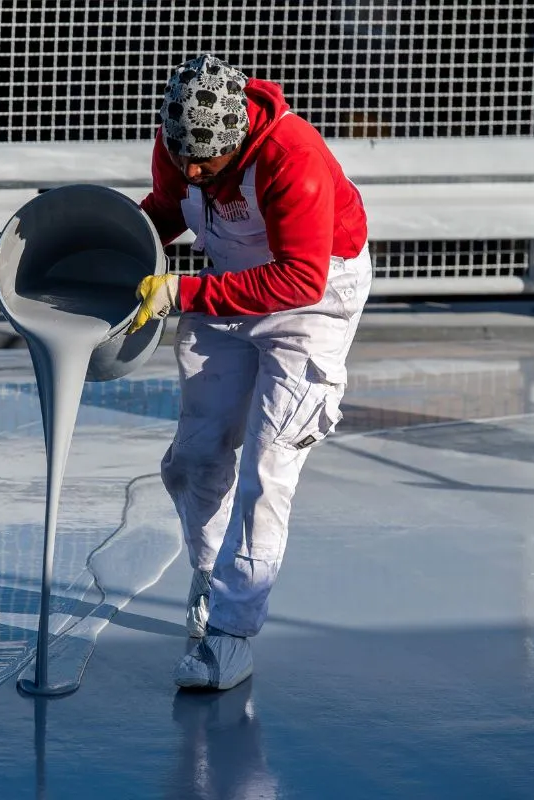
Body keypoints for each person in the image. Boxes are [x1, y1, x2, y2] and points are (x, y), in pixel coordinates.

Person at [129, 54, 372, 691]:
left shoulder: (294, 159)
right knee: (193, 457)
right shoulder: (182, 145)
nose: (193, 172)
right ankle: (211, 581)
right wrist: (111, 245)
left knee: (269, 464)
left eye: (206, 163)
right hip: (226, 287)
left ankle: (231, 637)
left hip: (313, 300)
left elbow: (299, 278)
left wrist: (184, 294)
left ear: (237, 139)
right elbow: (166, 206)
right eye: (182, 158)